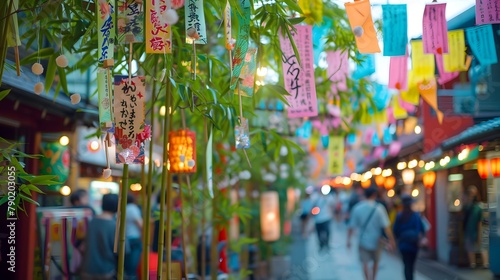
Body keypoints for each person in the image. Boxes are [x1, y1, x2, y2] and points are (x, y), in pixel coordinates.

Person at [347, 186, 396, 280]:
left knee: (364, 263)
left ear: (365, 195)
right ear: (374, 195)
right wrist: (392, 241)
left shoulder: (357, 208)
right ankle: (373, 278)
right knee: (376, 262)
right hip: (377, 241)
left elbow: (351, 226)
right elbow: (386, 227)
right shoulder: (379, 208)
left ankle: (367, 278)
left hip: (363, 240)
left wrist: (348, 240)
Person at [81, 193, 119, 280]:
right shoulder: (114, 225)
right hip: (106, 270)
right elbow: (123, 250)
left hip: (86, 269)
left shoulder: (91, 221)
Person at [393, 195, 426, 280]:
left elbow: (395, 230)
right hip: (413, 244)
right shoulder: (415, 215)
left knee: (406, 265)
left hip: (403, 244)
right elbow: (422, 228)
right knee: (411, 265)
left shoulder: (399, 216)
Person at [463, 185, 489, 269]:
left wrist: (480, 232)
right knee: (471, 247)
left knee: (481, 246)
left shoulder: (478, 207)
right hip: (470, 229)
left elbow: (481, 221)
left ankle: (485, 263)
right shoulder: (468, 206)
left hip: (477, 229)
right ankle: (473, 264)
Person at [125, 193, 143, 279]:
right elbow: (140, 223)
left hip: (125, 238)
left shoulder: (123, 208)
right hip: (134, 238)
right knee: (133, 266)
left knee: (127, 264)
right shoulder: (132, 208)